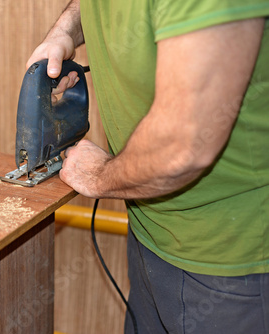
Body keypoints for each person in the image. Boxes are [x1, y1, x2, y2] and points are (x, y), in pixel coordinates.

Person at [27, 0, 269, 333]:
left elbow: (185, 149)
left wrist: (99, 176)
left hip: (230, 263)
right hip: (149, 226)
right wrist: (66, 29)